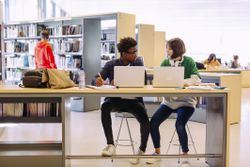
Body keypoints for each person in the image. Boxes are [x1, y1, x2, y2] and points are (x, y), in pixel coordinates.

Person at [92, 37, 150, 165]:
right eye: (132, 52)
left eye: (136, 51)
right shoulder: (111, 64)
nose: (135, 54)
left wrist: (123, 82)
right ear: (123, 53)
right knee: (105, 107)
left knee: (145, 119)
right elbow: (97, 77)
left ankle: (141, 150)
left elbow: (144, 83)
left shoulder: (139, 64)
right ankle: (110, 145)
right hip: (116, 101)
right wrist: (97, 80)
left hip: (134, 101)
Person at [147, 38, 200, 166]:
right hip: (169, 101)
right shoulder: (165, 62)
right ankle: (157, 152)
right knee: (153, 122)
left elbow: (196, 78)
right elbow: (159, 79)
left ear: (176, 50)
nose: (167, 50)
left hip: (186, 102)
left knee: (179, 124)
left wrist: (181, 82)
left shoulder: (189, 61)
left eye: (169, 48)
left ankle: (185, 154)